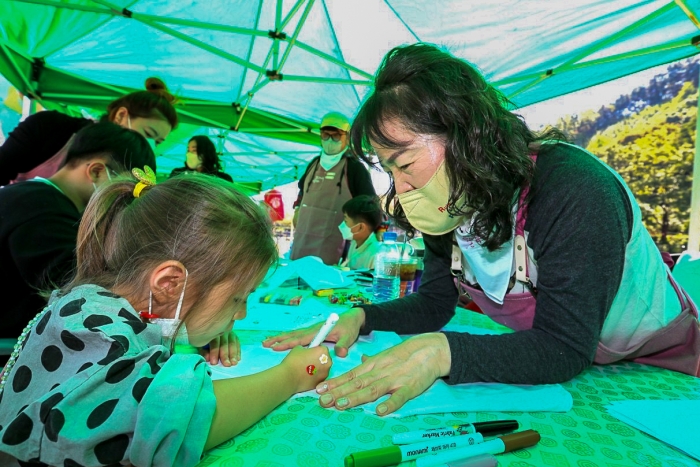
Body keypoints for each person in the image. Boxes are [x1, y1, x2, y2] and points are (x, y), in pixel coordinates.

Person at [264, 43, 700, 416]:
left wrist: (443, 352)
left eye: (405, 164)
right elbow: (434, 303)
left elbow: (563, 348)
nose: (400, 188)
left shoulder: (574, 189)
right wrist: (361, 317)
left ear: (466, 134)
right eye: (389, 171)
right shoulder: (449, 204)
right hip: (593, 380)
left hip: (667, 372)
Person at [0, 174, 332, 466]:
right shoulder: (107, 344)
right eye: (237, 298)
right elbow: (186, 417)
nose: (242, 313)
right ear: (170, 283)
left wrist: (198, 330)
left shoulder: (90, 303)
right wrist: (291, 375)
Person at [0, 122, 156, 339]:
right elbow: (78, 289)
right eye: (127, 192)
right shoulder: (41, 209)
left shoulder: (35, 199)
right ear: (97, 171)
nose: (126, 204)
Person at [0, 77, 177, 186]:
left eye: (158, 142)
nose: (150, 147)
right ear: (121, 116)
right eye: (148, 134)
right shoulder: (50, 126)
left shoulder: (132, 173)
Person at [290, 112, 376, 265]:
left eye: (336, 136)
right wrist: (297, 208)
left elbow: (369, 204)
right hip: (302, 241)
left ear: (347, 138)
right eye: (325, 135)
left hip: (333, 246)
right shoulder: (313, 164)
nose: (330, 140)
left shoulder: (354, 168)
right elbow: (302, 191)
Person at [339, 195, 383, 270]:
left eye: (346, 221)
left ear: (361, 227)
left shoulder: (376, 254)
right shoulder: (354, 243)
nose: (342, 224)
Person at [169, 135, 233, 182]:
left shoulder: (222, 179)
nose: (189, 154)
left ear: (207, 152)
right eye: (188, 150)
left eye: (194, 150)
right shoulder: (177, 173)